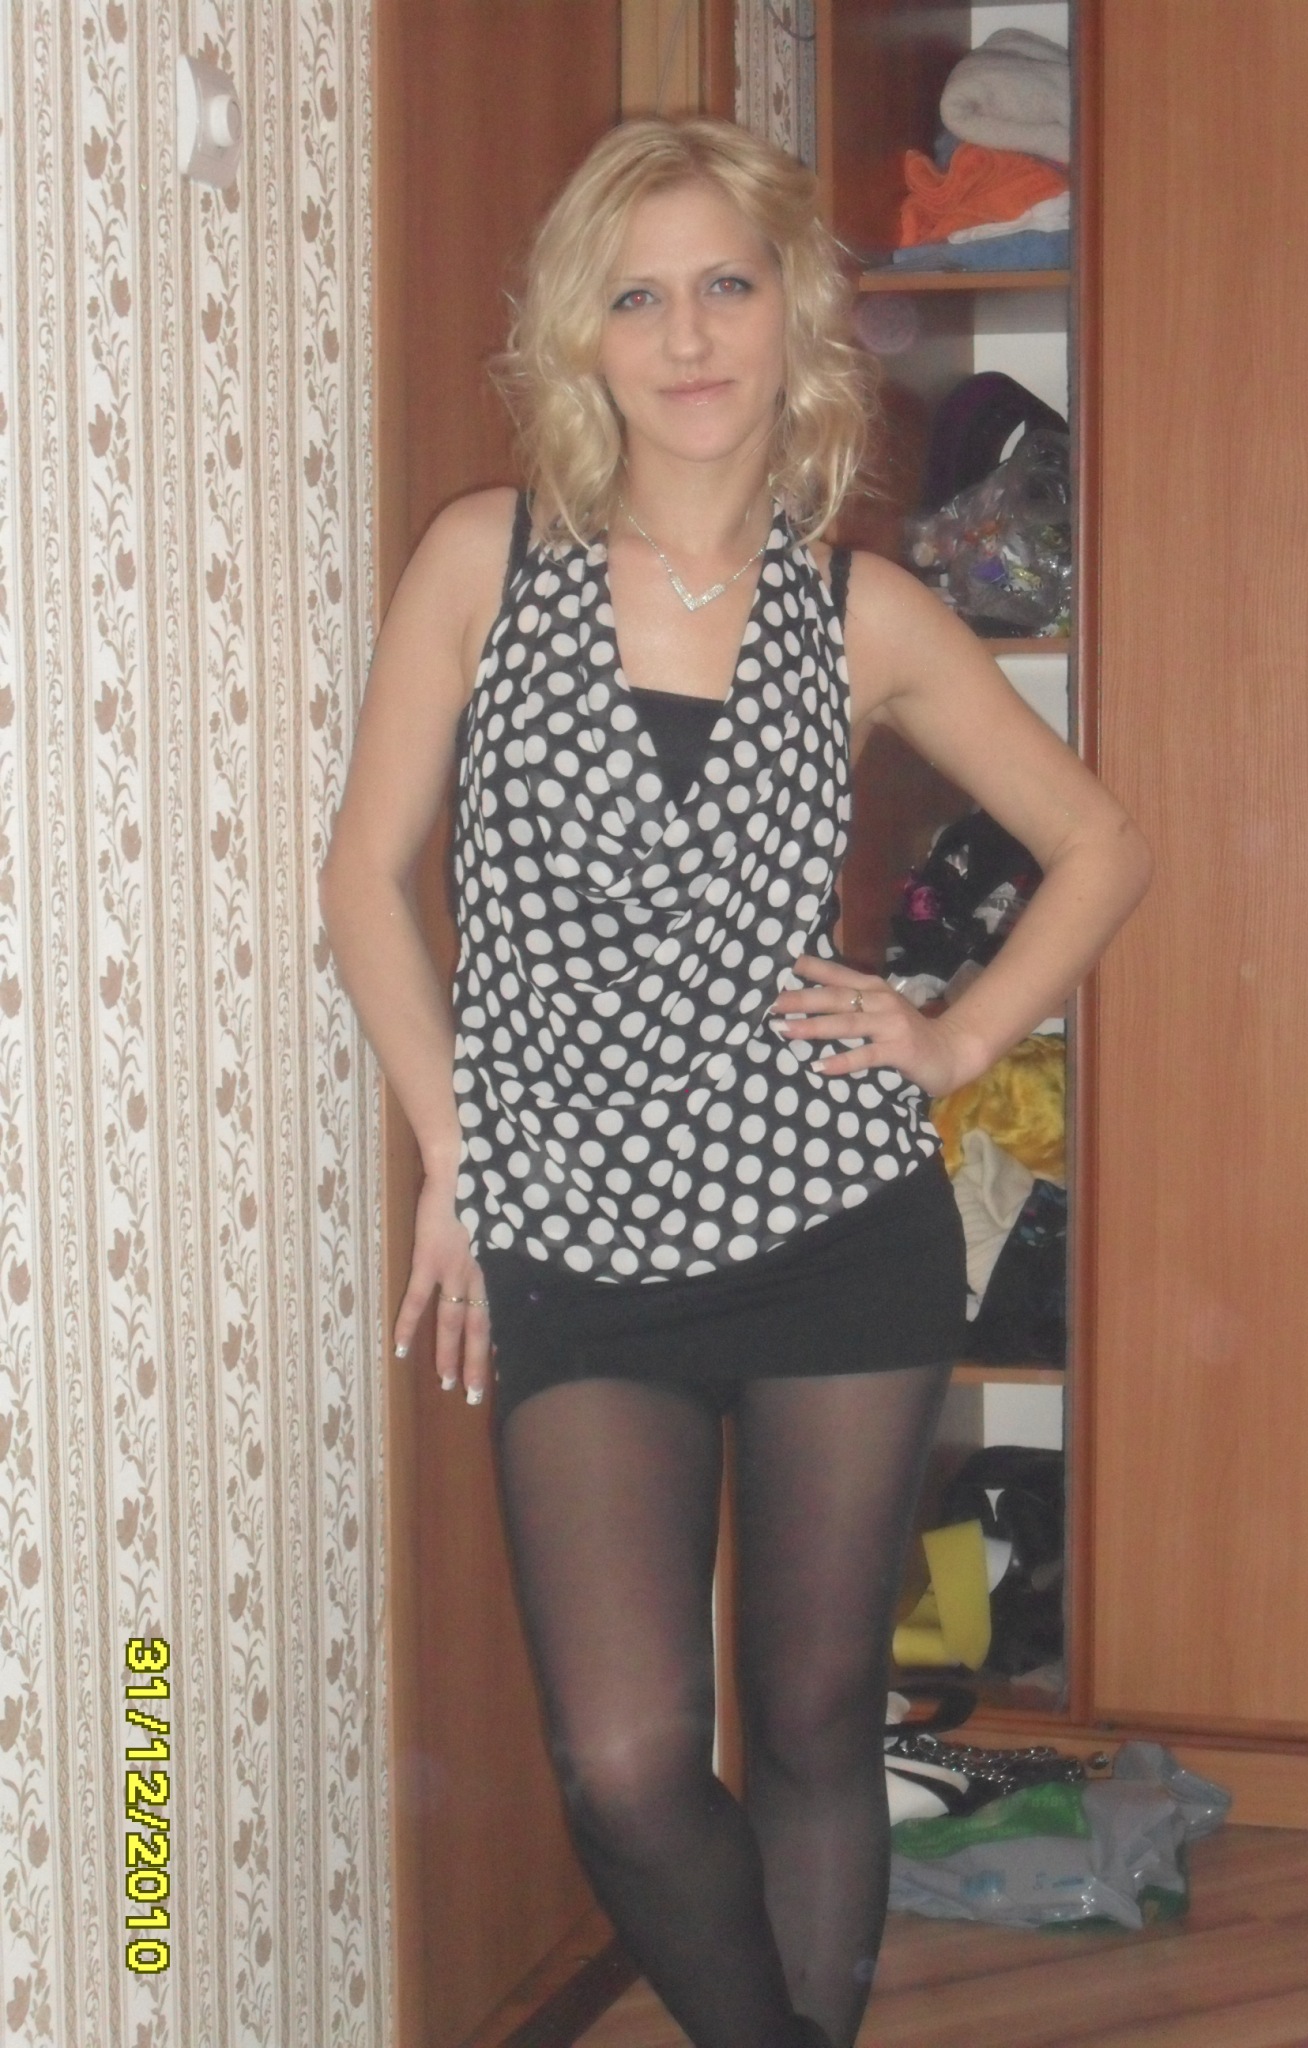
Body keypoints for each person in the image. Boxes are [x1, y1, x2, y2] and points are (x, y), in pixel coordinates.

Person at [321, 116, 1151, 2048]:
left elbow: (1102, 843)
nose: (687, 336)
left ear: (793, 315)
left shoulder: (862, 614)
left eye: (725, 285)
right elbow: (364, 880)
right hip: (574, 1243)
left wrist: (952, 1038)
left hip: (831, 1227)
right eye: (638, 297)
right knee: (623, 1759)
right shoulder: (483, 560)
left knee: (810, 1719)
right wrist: (454, 1145)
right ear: (582, 336)